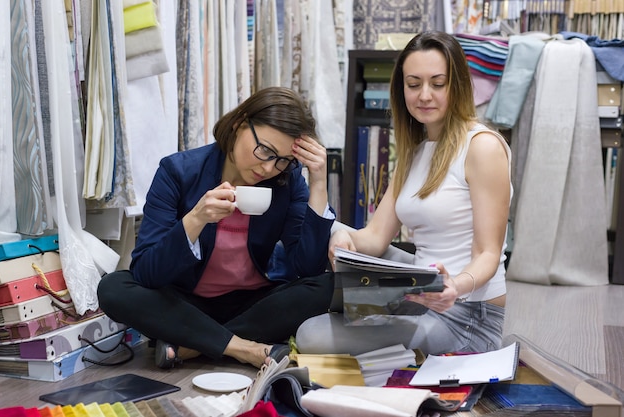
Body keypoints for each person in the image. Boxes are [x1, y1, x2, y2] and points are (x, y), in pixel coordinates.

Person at [296, 31, 512, 356]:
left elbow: (488, 254)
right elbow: (375, 237)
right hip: (422, 293)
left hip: (467, 315)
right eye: (414, 84)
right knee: (337, 231)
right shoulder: (415, 151)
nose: (425, 95)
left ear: (458, 86)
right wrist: (346, 244)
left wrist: (455, 285)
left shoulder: (482, 147)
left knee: (310, 335)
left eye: (437, 84)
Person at [97, 86, 335, 369]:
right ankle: (243, 347)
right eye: (265, 151)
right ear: (239, 124)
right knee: (113, 288)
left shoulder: (288, 180)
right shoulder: (178, 172)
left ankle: (191, 345)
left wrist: (319, 183)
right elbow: (146, 272)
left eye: (283, 160)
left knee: (330, 285)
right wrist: (196, 218)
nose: (270, 168)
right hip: (187, 303)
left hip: (254, 304)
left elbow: (306, 268)